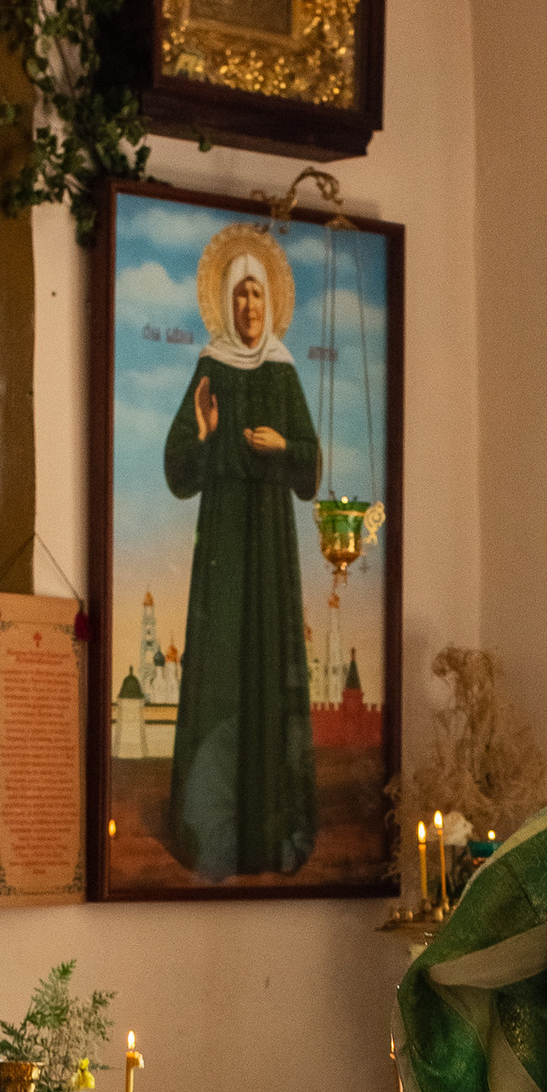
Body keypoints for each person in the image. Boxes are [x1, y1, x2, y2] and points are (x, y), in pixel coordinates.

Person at [163, 240, 319, 878]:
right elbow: (178, 471)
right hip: (224, 544)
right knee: (223, 669)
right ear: (226, 305)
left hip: (273, 546)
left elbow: (309, 468)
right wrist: (204, 432)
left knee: (269, 667)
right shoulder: (211, 366)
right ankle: (214, 835)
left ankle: (272, 834)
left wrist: (284, 446)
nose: (250, 305)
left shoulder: (282, 371)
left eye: (257, 293)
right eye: (240, 294)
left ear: (270, 301)